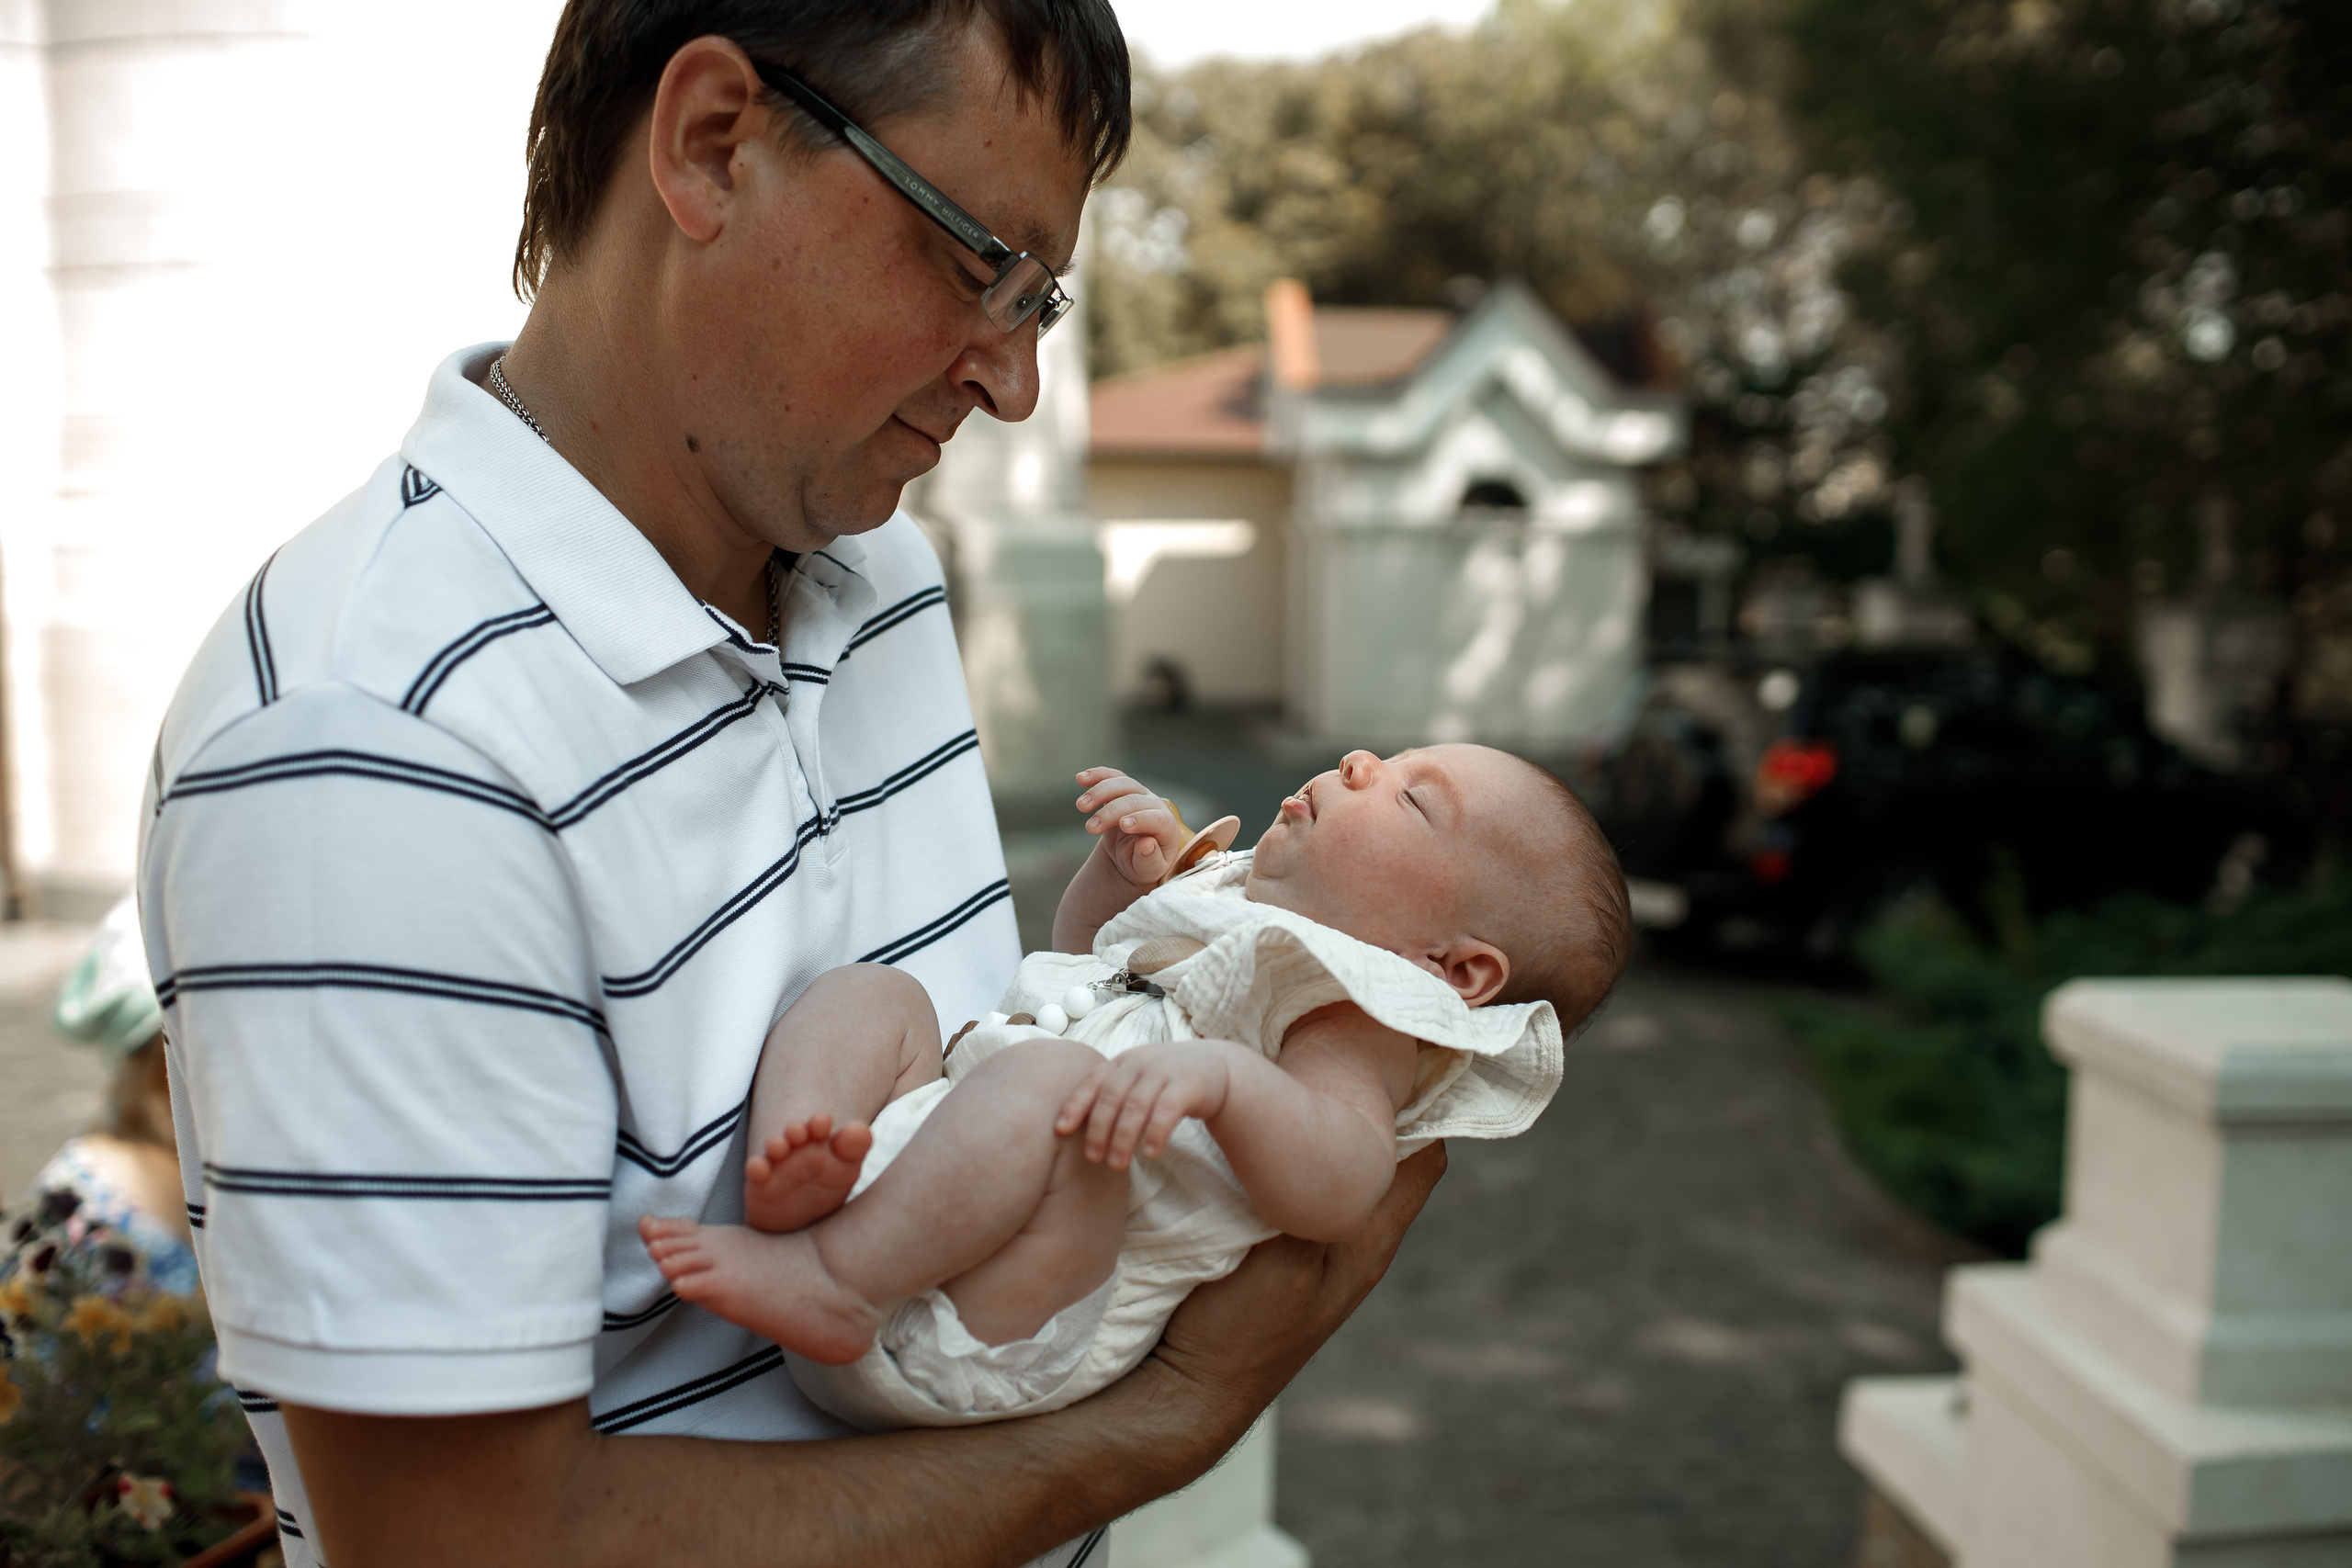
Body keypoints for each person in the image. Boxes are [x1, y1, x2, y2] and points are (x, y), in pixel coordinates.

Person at [136, 4, 1442, 1565]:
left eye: (1049, 297)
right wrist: (1164, 1420)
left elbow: (956, 1086)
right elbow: (462, 1540)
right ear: (713, 145)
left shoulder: (866, 556)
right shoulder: (375, 753)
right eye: (982, 267)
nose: (1016, 379)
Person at [643, 745, 1631, 1428]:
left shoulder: (1355, 1011)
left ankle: (836, 1281)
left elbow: (1340, 1186)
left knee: (1052, 1080)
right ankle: (806, 1161)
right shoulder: (1231, 900)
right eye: (1387, 757)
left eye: (1414, 800)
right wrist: (1123, 881)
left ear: (1453, 969)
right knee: (874, 994)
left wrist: (1227, 1084)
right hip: (939, 1169)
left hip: (1002, 1316)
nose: (1362, 764)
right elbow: (1075, 966)